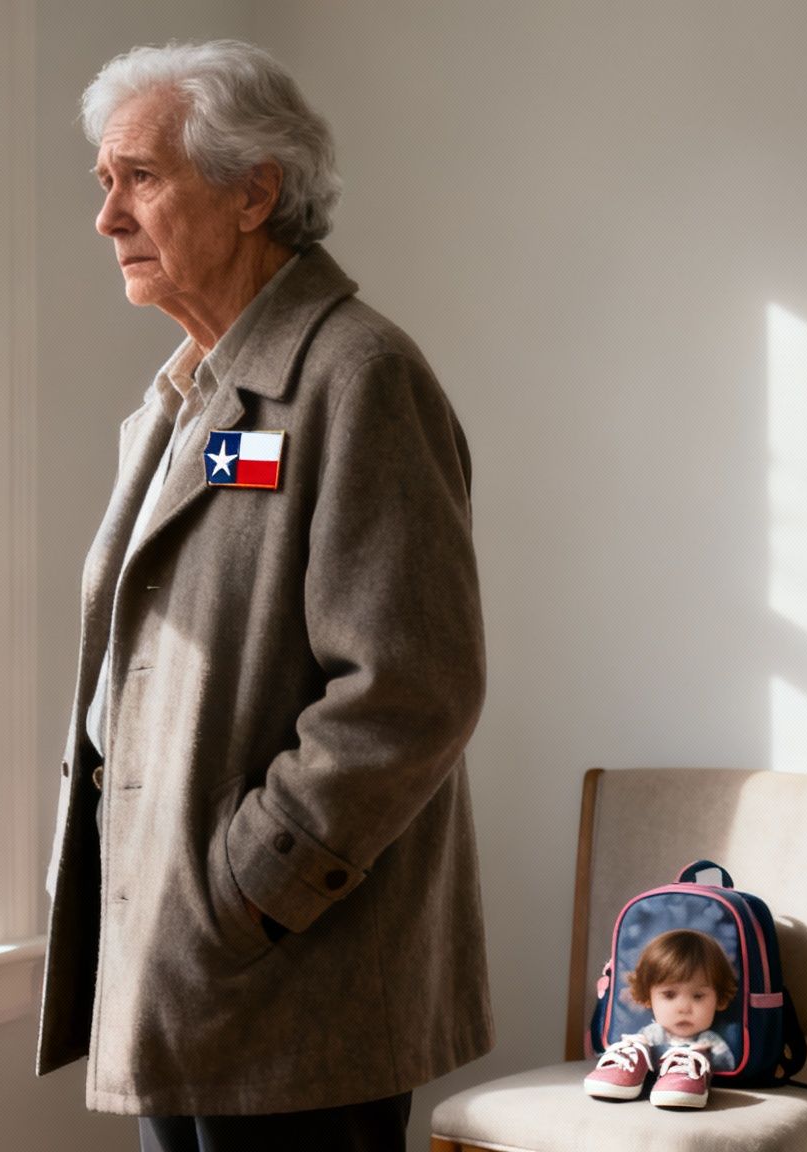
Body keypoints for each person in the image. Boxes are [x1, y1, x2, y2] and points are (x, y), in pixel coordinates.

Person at [32, 38, 493, 1152]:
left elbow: (408, 691)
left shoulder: (358, 377)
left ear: (254, 191)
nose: (107, 218)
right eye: (105, 183)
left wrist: (241, 888)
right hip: (173, 959)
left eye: (139, 176)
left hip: (288, 973)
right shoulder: (177, 400)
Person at [583, 929, 739, 1109]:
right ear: (649, 998)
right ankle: (628, 1072)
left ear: (719, 999)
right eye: (669, 995)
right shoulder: (651, 1035)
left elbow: (727, 1064)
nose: (684, 1008)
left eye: (698, 996)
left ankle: (690, 1070)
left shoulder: (710, 1042)